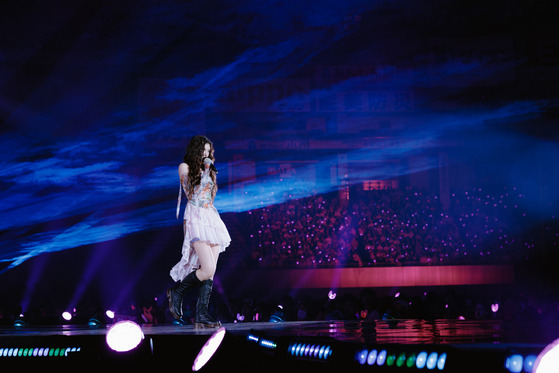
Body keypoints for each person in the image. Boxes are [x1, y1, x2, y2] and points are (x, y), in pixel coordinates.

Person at [167, 135, 231, 328]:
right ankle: (177, 292)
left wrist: (209, 172)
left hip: (211, 217)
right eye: (203, 150)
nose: (206, 154)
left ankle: (201, 314)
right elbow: (191, 193)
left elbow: (211, 197)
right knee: (208, 268)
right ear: (196, 150)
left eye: (209, 151)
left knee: (210, 273)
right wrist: (204, 171)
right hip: (196, 216)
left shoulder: (211, 171)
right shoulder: (184, 167)